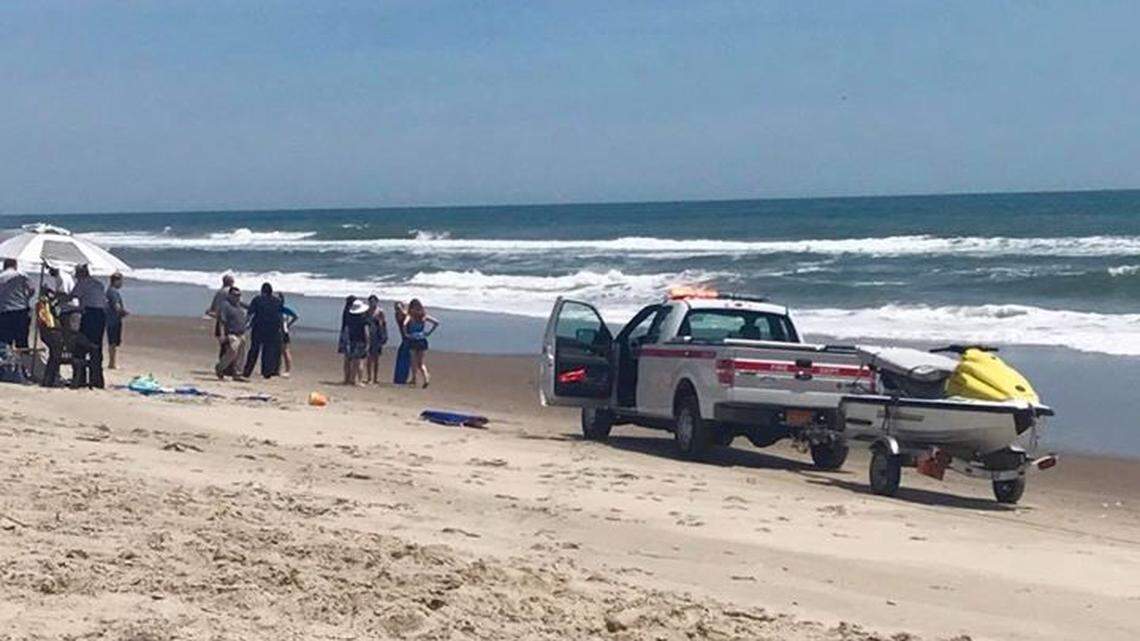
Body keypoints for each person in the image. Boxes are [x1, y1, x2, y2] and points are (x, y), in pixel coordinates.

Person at [71, 264, 106, 388]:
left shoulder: (82, 283)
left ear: (81, 273)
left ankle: (80, 379)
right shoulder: (98, 284)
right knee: (96, 348)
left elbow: (72, 296)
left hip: (90, 315)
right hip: (101, 316)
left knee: (80, 346)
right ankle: (97, 379)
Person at [242, 282, 284, 379]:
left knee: (254, 350)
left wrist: (246, 325)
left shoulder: (257, 299)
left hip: (259, 327)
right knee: (268, 350)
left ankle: (247, 371)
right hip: (273, 328)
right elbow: (279, 315)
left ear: (262, 291)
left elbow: (250, 313)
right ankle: (266, 372)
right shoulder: (277, 301)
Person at [403, 298, 439, 389]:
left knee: (413, 361)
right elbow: (436, 322)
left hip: (413, 339)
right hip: (422, 339)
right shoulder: (423, 316)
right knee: (421, 363)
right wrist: (429, 332)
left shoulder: (410, 316)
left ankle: (414, 379)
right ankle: (426, 377)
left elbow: (404, 324)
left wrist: (406, 334)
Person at [215, 287, 248, 381]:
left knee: (241, 355)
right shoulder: (225, 305)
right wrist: (222, 335)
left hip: (241, 333)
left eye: (238, 295)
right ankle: (220, 367)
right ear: (230, 295)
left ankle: (237, 374)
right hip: (232, 333)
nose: (237, 297)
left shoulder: (239, 305)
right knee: (232, 351)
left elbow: (250, 309)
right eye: (235, 295)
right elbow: (222, 321)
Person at [206, 274, 237, 374]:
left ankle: (224, 367)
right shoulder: (232, 292)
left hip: (220, 321)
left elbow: (212, 308)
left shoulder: (219, 293)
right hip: (230, 322)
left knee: (224, 346)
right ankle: (227, 368)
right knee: (231, 346)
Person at [0, 258, 34, 349]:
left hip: (4, 311)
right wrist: (25, 298)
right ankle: (22, 361)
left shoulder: (1, 276)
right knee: (22, 340)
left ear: (4, 265)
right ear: (15, 265)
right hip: (21, 310)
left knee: (4, 341)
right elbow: (32, 290)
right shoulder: (22, 276)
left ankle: (5, 361)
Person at [35, 286, 65, 387]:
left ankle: (51, 378)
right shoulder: (43, 304)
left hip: (49, 331)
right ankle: (49, 379)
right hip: (50, 331)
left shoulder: (45, 303)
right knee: (55, 355)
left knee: (54, 355)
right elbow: (47, 319)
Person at [342, 298, 369, 386]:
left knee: (353, 360)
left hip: (352, 340)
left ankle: (352, 379)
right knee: (360, 361)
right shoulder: (364, 319)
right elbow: (366, 332)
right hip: (361, 341)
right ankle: (359, 380)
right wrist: (368, 342)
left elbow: (347, 329)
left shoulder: (351, 319)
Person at [105, 272, 128, 370]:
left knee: (113, 342)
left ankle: (112, 362)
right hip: (113, 320)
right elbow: (116, 306)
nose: (121, 283)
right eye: (120, 281)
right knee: (113, 342)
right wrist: (123, 312)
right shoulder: (113, 292)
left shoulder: (110, 291)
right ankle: (112, 363)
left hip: (111, 319)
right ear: (116, 281)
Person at [364, 294, 388, 384]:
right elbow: (365, 323)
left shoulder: (380, 311)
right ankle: (369, 377)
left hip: (377, 336)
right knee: (369, 358)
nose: (372, 303)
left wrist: (384, 336)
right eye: (370, 302)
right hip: (369, 336)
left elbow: (384, 324)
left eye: (374, 301)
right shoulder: (366, 312)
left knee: (376, 359)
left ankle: (375, 378)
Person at [279, 294, 299, 378]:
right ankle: (277, 369)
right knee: (277, 352)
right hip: (276, 332)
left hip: (283, 332)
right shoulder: (273, 308)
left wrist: (288, 324)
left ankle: (287, 370)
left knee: (285, 351)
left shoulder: (284, 309)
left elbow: (295, 316)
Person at [338, 295, 356, 381]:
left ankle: (346, 378)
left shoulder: (345, 311)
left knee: (347, 358)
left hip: (344, 333)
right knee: (352, 358)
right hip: (350, 335)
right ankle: (352, 378)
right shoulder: (352, 312)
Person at [392, 301, 411, 384]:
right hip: (404, 338)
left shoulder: (407, 315)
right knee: (401, 356)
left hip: (409, 338)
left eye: (399, 308)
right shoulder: (396, 315)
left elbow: (406, 325)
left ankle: (402, 379)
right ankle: (398, 378)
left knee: (405, 358)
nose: (397, 310)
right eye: (396, 308)